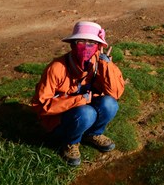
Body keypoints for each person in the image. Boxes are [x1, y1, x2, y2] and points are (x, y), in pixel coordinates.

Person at [31, 21, 125, 166]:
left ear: (98, 46)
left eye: (91, 42)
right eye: (81, 41)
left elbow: (115, 93)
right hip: (60, 121)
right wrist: (79, 100)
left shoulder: (100, 62)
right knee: (87, 113)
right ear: (72, 44)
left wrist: (106, 66)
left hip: (84, 110)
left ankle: (94, 134)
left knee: (110, 104)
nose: (86, 46)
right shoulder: (56, 68)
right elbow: (40, 105)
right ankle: (71, 142)